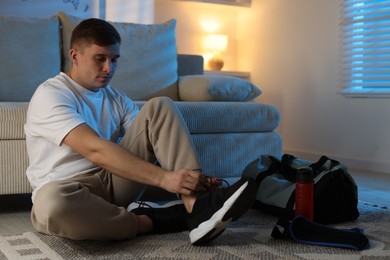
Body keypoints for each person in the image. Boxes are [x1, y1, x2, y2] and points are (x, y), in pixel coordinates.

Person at [24, 17, 256, 245]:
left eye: (114, 59)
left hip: (113, 181)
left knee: (160, 106)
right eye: (100, 59)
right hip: (67, 190)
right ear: (75, 56)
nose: (109, 68)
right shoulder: (51, 94)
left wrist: (191, 180)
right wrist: (166, 179)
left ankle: (197, 206)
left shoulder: (116, 98)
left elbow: (156, 139)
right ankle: (152, 221)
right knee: (51, 206)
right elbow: (94, 149)